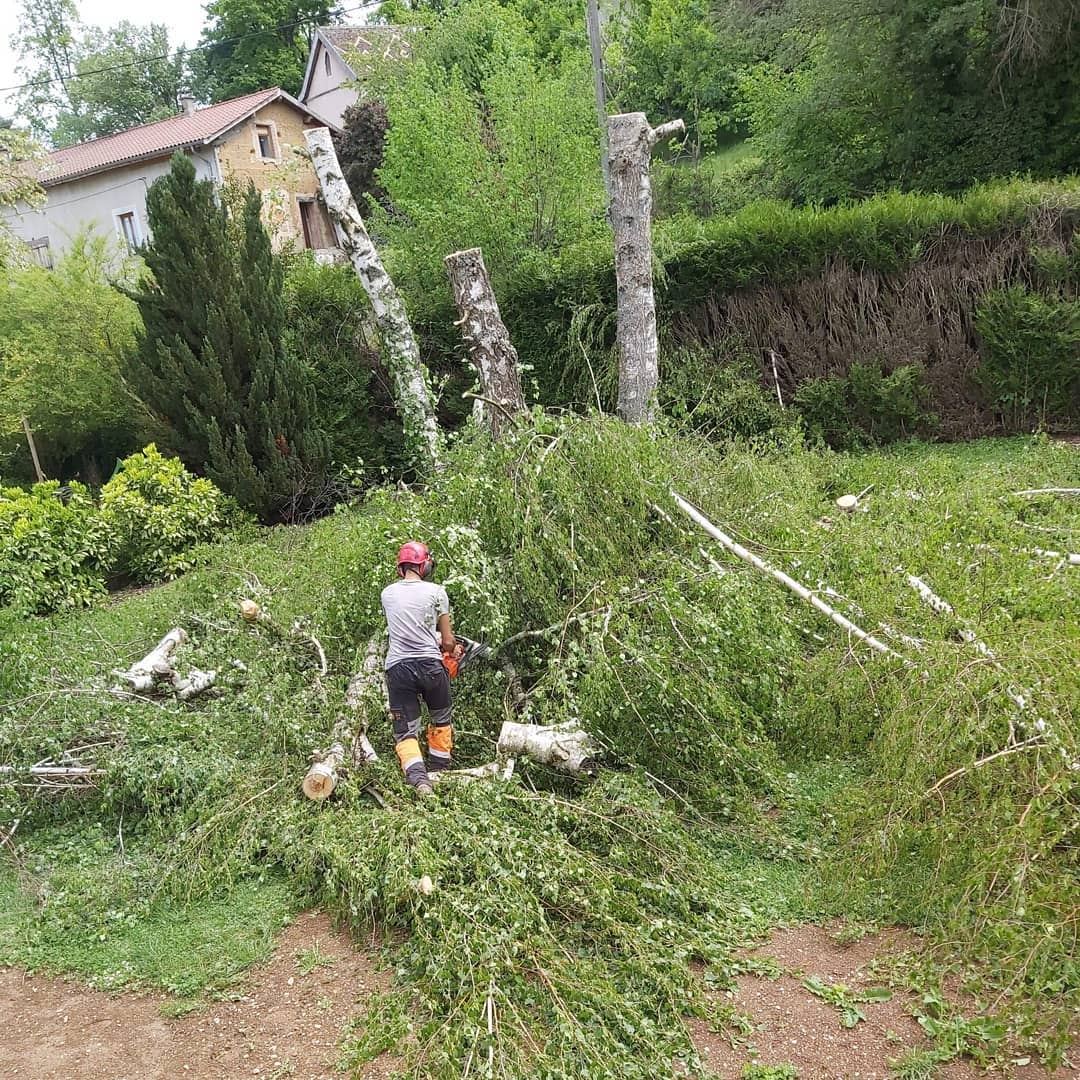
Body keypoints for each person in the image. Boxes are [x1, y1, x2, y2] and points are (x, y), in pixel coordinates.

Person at [380, 541, 463, 797]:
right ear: (424, 564)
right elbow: (448, 642)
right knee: (441, 720)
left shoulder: (387, 593)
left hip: (398, 669)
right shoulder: (437, 592)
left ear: (401, 566)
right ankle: (439, 770)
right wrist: (452, 649)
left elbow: (407, 627)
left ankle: (420, 781)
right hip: (430, 667)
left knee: (406, 730)